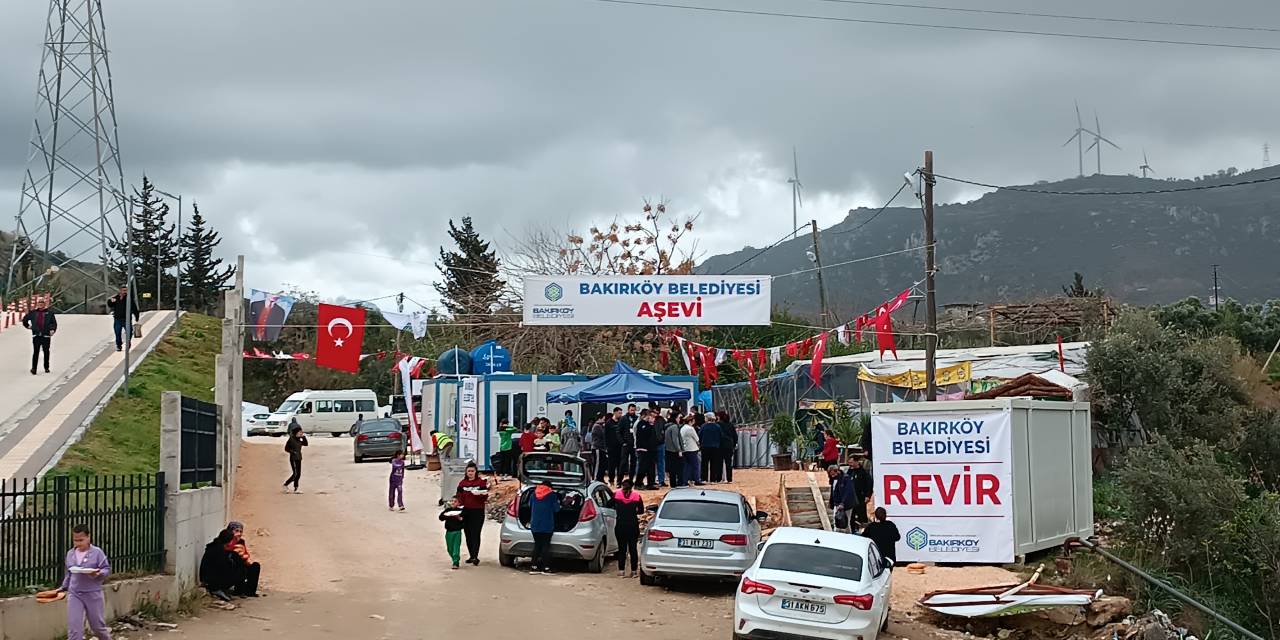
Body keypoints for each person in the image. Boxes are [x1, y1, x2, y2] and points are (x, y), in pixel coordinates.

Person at [56, 523, 112, 640]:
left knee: (97, 627)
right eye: (75, 540)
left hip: (93, 593)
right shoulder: (70, 554)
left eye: (81, 540)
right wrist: (63, 587)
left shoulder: (97, 553)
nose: (78, 543)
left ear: (88, 537)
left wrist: (98, 573)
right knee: (74, 627)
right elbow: (69, 573)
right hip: (75, 593)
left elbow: (106, 569)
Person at [454, 462, 490, 566]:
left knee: (476, 533)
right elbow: (458, 496)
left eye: (472, 471)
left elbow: (485, 496)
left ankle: (475, 556)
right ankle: (471, 555)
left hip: (478, 511)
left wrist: (480, 494)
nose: (470, 473)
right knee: (468, 534)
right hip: (466, 511)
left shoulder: (481, 483)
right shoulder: (462, 483)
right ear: (466, 472)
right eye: (469, 471)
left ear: (476, 472)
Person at [609, 479, 645, 578]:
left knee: (622, 549)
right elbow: (641, 511)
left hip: (620, 526)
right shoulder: (637, 496)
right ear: (632, 487)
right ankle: (634, 572)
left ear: (622, 486)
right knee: (633, 549)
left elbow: (608, 505)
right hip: (633, 526)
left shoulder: (616, 495)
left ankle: (621, 571)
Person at [528, 480, 560, 574]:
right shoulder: (552, 495)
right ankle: (546, 568)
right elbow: (556, 509)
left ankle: (533, 567)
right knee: (545, 545)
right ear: (550, 487)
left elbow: (530, 505)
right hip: (547, 524)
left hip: (535, 525)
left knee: (537, 545)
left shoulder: (533, 494)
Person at [199, 528, 237, 602]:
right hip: (211, 580)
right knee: (238, 572)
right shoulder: (219, 550)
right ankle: (217, 589)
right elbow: (222, 568)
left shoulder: (215, 546)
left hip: (206, 577)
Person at [225, 521, 261, 597]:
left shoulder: (241, 542)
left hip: (241, 564)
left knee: (255, 566)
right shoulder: (225, 540)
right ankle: (239, 591)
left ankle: (250, 591)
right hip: (229, 568)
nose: (239, 533)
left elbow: (246, 554)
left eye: (241, 531)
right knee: (240, 566)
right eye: (236, 531)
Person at [106, 286, 139, 352]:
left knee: (129, 332)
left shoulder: (129, 299)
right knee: (117, 333)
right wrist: (110, 301)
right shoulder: (115, 298)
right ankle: (119, 345)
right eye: (123, 290)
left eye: (126, 290)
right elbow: (110, 304)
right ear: (120, 291)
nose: (125, 292)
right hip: (117, 319)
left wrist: (137, 316)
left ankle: (128, 341)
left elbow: (134, 307)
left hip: (126, 319)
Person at [439, 498, 466, 569]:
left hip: (457, 532)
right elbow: (441, 518)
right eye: (452, 501)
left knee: (456, 548)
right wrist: (446, 515)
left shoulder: (461, 511)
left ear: (459, 503)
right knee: (449, 548)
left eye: (455, 501)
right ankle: (455, 558)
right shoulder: (448, 510)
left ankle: (455, 562)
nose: (453, 503)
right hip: (449, 532)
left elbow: (464, 521)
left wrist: (459, 518)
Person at [829, 465, 857, 533]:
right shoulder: (834, 479)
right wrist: (831, 502)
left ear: (837, 471)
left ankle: (848, 536)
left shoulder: (846, 478)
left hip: (846, 504)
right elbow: (833, 491)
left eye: (833, 473)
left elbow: (848, 492)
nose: (832, 475)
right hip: (837, 503)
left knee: (846, 522)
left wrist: (842, 503)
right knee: (836, 521)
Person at [634, 411, 658, 490]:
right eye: (651, 417)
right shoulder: (641, 424)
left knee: (651, 467)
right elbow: (644, 434)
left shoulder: (650, 425)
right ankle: (638, 483)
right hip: (643, 449)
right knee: (642, 467)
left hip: (651, 450)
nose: (653, 419)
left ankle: (650, 483)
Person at [848, 458, 874, 525]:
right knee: (852, 516)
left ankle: (863, 527)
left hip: (861, 497)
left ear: (856, 462)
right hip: (851, 498)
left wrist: (868, 495)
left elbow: (869, 484)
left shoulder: (863, 472)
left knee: (861, 514)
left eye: (852, 462)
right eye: (849, 463)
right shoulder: (850, 471)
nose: (850, 464)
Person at [282, 424, 308, 493]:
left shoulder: (299, 439)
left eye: (302, 432)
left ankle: (296, 488)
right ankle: (285, 484)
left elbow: (306, 444)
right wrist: (293, 452)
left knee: (298, 474)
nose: (301, 433)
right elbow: (286, 448)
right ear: (296, 432)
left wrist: (304, 437)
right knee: (295, 473)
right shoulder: (291, 439)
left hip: (299, 458)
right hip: (293, 458)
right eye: (300, 432)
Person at [699, 413, 723, 483]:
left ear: (707, 418)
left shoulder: (703, 426)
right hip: (715, 447)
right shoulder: (717, 426)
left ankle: (704, 478)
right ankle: (713, 479)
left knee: (704, 463)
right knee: (714, 463)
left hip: (705, 446)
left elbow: (700, 435)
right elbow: (721, 436)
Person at [680, 416, 702, 486]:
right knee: (695, 465)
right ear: (690, 421)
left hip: (685, 449)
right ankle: (697, 480)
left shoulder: (683, 428)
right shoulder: (690, 429)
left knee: (687, 466)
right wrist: (699, 445)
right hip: (692, 449)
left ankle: (685, 480)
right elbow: (697, 438)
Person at [663, 414, 684, 487]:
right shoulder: (675, 427)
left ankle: (673, 483)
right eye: (678, 418)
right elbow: (675, 439)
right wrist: (679, 450)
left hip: (668, 449)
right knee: (678, 468)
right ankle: (679, 483)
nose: (679, 419)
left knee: (672, 468)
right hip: (674, 450)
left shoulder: (667, 427)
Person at [604, 408, 623, 485]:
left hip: (620, 447)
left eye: (621, 413)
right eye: (619, 413)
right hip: (611, 448)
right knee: (611, 465)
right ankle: (611, 479)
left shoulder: (621, 422)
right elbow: (606, 436)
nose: (620, 415)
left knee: (620, 465)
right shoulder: (608, 423)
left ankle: (619, 480)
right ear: (614, 413)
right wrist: (606, 447)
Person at [717, 411, 737, 484]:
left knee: (719, 462)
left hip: (720, 445)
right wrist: (734, 444)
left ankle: (719, 478)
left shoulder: (718, 425)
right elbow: (735, 436)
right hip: (729, 445)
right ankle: (729, 478)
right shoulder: (730, 425)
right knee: (728, 463)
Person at [620, 405, 638, 482]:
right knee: (623, 462)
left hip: (634, 444)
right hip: (626, 444)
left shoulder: (636, 418)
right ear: (628, 410)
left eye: (634, 410)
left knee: (633, 462)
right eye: (631, 410)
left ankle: (631, 479)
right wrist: (622, 441)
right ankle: (619, 480)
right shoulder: (623, 418)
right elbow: (619, 431)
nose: (633, 412)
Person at [590, 416, 608, 482]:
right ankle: (595, 478)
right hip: (597, 447)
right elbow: (602, 435)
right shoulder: (597, 426)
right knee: (597, 464)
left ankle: (600, 478)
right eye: (603, 419)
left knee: (602, 464)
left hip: (602, 448)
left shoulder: (601, 426)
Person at [654, 408, 668, 486]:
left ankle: (661, 480)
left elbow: (665, 429)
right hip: (654, 444)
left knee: (661, 462)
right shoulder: (652, 420)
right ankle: (654, 480)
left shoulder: (661, 420)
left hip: (660, 443)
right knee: (656, 463)